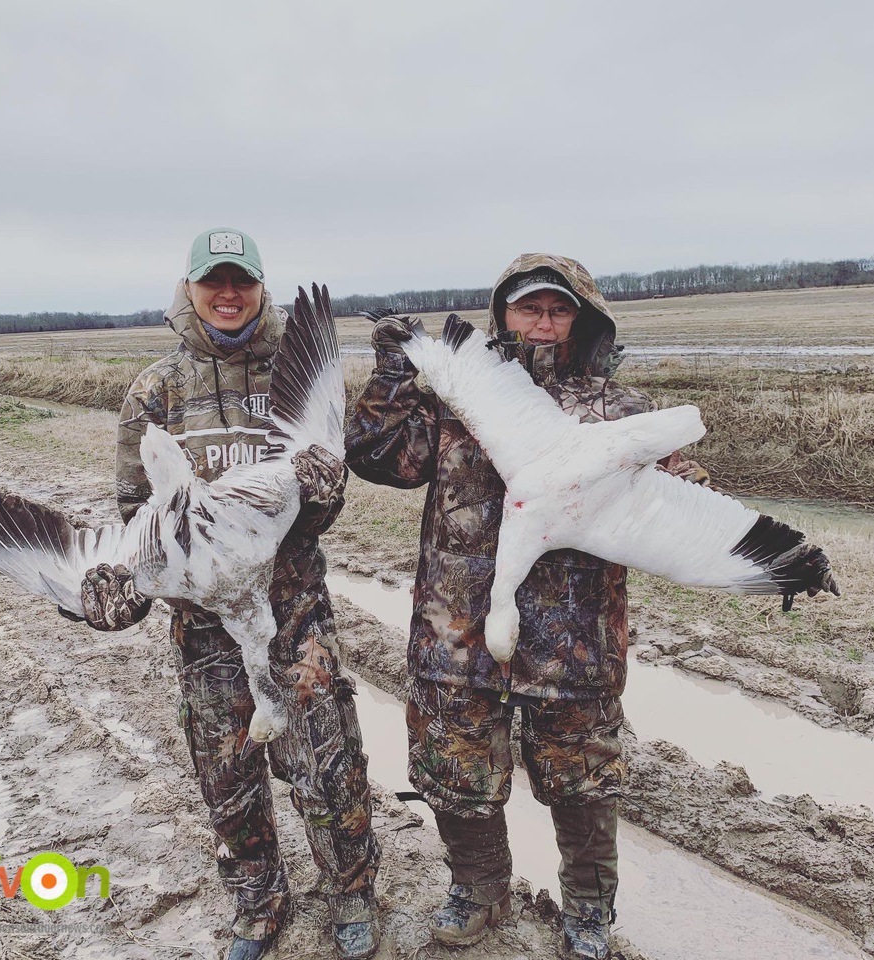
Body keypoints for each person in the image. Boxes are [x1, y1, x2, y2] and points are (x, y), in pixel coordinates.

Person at [344, 253, 708, 959]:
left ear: (584, 321)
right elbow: (379, 456)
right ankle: (479, 889)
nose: (542, 323)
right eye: (527, 308)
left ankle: (589, 909)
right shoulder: (453, 403)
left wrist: (708, 506)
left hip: (575, 645)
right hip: (459, 640)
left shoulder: (618, 411)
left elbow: (675, 483)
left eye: (558, 309)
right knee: (457, 777)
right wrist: (393, 373)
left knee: (584, 785)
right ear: (502, 317)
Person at [79, 228, 381, 960]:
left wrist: (325, 491)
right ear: (189, 289)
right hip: (205, 623)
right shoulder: (156, 391)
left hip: (295, 610)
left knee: (325, 757)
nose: (227, 293)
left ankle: (351, 893)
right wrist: (136, 581)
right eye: (212, 280)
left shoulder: (290, 368)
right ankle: (257, 901)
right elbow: (133, 509)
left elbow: (322, 506)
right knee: (227, 768)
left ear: (258, 286)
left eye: (239, 280)